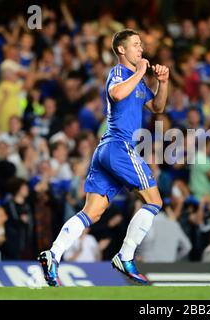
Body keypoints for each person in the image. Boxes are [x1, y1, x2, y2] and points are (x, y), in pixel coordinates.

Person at [38, 29, 169, 286]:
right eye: (136, 45)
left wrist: (163, 82)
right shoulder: (119, 73)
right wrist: (142, 71)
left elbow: (158, 108)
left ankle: (53, 253)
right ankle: (126, 255)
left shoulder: (138, 81)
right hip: (120, 146)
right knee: (155, 201)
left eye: (141, 45)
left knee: (92, 212)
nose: (141, 49)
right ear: (122, 50)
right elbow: (116, 94)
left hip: (107, 151)